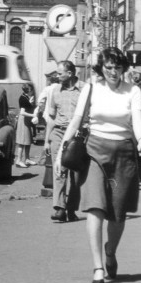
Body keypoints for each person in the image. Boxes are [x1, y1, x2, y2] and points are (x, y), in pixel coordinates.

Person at [56, 47, 141, 283]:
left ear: (124, 68)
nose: (113, 72)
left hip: (124, 152)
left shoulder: (133, 91)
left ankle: (110, 251)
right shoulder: (91, 88)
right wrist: (60, 151)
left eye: (118, 68)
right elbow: (76, 119)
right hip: (95, 151)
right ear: (101, 68)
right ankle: (97, 267)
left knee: (117, 214)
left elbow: (137, 119)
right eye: (108, 67)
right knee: (95, 208)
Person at [43, 61, 83, 222]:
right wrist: (47, 140)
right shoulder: (55, 91)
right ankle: (59, 208)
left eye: (60, 73)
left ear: (70, 73)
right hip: (58, 132)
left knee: (75, 175)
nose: (57, 76)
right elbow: (51, 118)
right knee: (59, 170)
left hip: (77, 135)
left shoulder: (84, 90)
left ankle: (71, 208)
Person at [14, 84, 37, 167]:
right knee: (22, 142)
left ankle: (27, 159)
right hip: (23, 121)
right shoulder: (23, 99)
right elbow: (22, 112)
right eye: (32, 90)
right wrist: (33, 116)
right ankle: (19, 160)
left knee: (28, 141)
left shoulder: (26, 97)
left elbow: (28, 107)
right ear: (29, 90)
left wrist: (30, 103)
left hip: (26, 121)